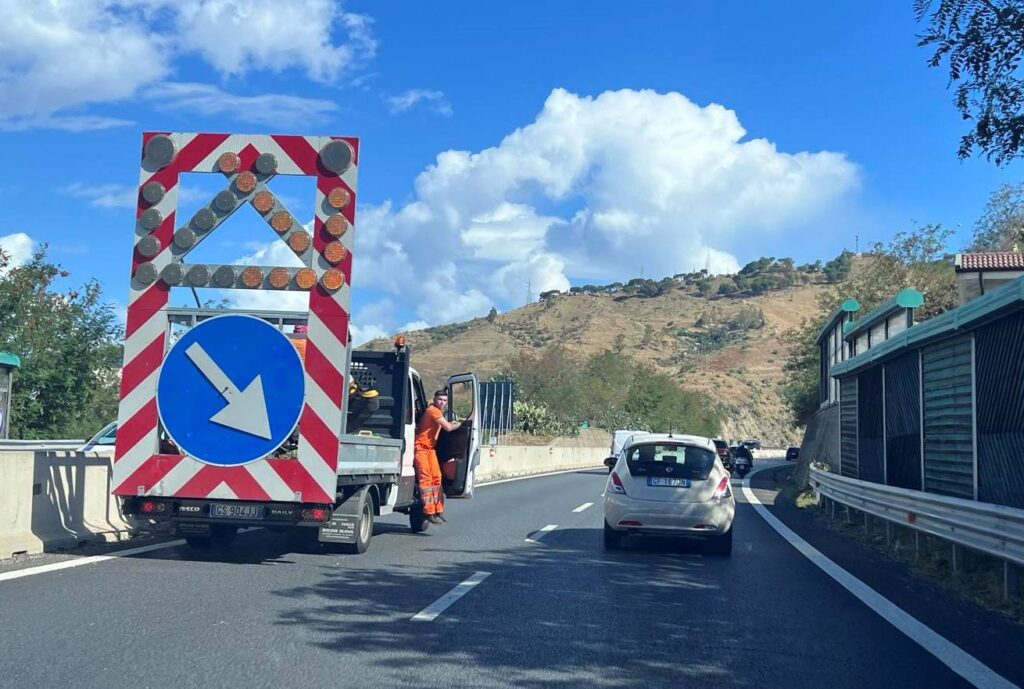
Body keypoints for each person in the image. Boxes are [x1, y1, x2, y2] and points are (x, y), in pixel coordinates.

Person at [414, 390, 461, 524]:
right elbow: (448, 428)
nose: (442, 402)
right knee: (426, 479)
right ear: (434, 399)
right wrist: (458, 424)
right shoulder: (433, 410)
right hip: (421, 449)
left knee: (437, 478)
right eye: (440, 399)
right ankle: (429, 511)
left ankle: (438, 510)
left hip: (430, 450)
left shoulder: (437, 412)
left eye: (444, 400)